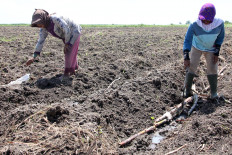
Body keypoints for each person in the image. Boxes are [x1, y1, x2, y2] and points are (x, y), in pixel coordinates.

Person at [183, 3, 225, 99]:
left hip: (211, 48)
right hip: (196, 47)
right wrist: (186, 56)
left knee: (212, 68)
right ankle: (187, 90)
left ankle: (213, 93)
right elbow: (187, 40)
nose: (205, 21)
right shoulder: (194, 24)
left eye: (208, 19)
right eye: (203, 19)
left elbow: (220, 37)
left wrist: (216, 52)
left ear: (212, 17)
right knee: (191, 67)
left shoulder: (219, 24)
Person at [26, 9, 82, 80]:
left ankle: (67, 74)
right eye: (37, 24)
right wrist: (34, 56)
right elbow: (40, 41)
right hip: (66, 35)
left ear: (44, 18)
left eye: (39, 23)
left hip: (74, 32)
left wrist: (67, 43)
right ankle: (74, 68)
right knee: (71, 51)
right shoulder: (44, 28)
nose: (39, 26)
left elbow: (67, 29)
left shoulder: (55, 19)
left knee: (68, 51)